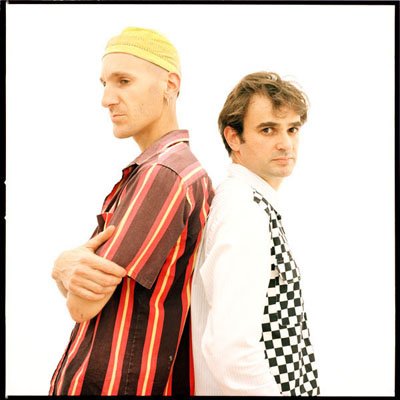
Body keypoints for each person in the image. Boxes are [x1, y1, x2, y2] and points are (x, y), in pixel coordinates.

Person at [49, 27, 214, 396]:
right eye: (104, 83)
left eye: (124, 81)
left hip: (111, 384)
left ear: (170, 84)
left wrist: (61, 266)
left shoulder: (163, 173)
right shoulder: (172, 170)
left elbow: (82, 305)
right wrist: (69, 269)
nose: (107, 99)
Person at [191, 71, 320, 396]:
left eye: (292, 129)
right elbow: (230, 353)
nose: (285, 143)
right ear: (234, 137)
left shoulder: (250, 203)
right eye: (268, 129)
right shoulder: (244, 210)